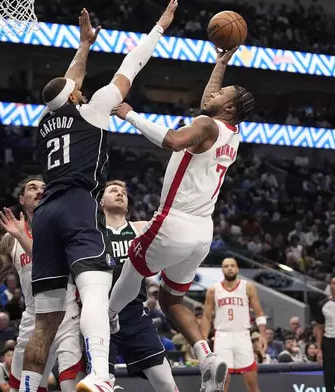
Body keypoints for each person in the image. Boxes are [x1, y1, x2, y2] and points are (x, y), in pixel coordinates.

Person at [25, 2, 177, 391]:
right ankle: (100, 374)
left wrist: (84, 46)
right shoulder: (93, 110)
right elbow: (131, 66)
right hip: (78, 204)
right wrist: (159, 26)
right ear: (76, 96)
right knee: (95, 287)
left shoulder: (43, 124)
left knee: (45, 320)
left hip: (45, 213)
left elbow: (66, 85)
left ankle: (26, 387)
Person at [109, 43, 255, 392]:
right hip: (203, 233)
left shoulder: (205, 125)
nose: (215, 92)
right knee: (171, 300)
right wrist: (220, 63)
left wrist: (129, 114)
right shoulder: (231, 134)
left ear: (229, 106)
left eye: (223, 92)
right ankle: (207, 356)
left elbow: (174, 140)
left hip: (174, 221)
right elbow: (209, 103)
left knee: (132, 263)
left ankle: (108, 318)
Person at [0, 177, 84, 392]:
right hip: (34, 317)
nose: (39, 191)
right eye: (32, 188)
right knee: (22, 389)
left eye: (44, 188)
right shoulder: (10, 240)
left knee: (71, 385)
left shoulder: (64, 227)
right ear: (22, 199)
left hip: (67, 314)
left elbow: (53, 263)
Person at [101, 180, 178, 392]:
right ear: (100, 201)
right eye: (113, 191)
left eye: (123, 193)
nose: (120, 194)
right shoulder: (91, 231)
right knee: (100, 384)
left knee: (166, 383)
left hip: (134, 314)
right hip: (98, 315)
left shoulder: (140, 228)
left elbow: (171, 225)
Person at [200, 258, 267, 392]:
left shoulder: (248, 287)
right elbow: (206, 317)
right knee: (222, 383)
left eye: (232, 266)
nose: (229, 268)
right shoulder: (213, 290)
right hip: (222, 337)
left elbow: (259, 313)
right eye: (226, 266)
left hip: (243, 335)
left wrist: (263, 335)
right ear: (222, 270)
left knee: (252, 382)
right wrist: (203, 340)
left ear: (237, 269)